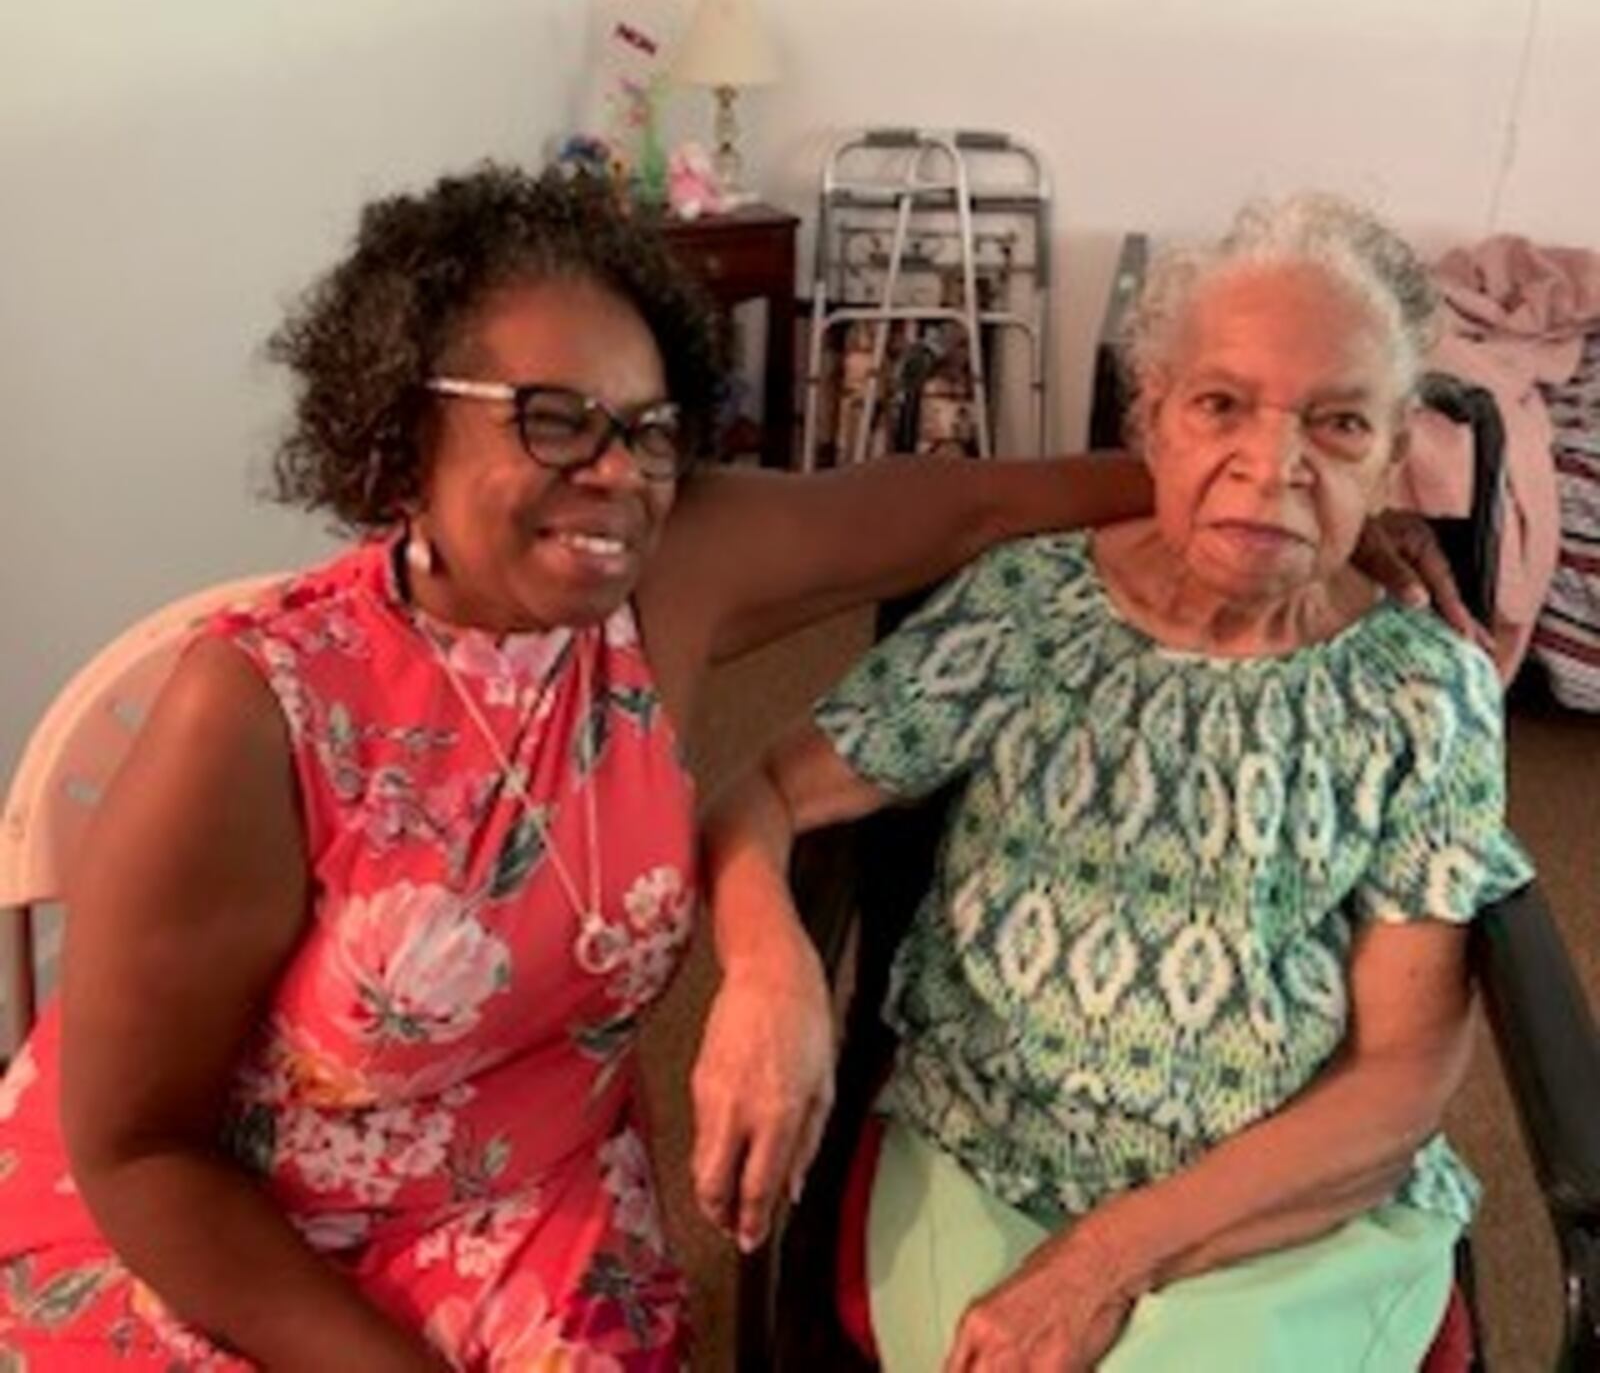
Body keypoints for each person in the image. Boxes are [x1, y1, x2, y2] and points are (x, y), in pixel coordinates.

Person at [0, 164, 1466, 1371]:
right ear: (404, 425)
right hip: (230, 1233)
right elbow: (137, 1152)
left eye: (648, 430)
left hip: (533, 1201)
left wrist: (1264, 497)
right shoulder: (253, 704)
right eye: (551, 417)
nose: (614, 472)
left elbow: (969, 504)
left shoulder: (669, 565)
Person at [700, 193, 1533, 1372]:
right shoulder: (1028, 607)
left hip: (1281, 1203)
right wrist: (766, 968)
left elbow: (1401, 1076)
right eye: (1219, 404)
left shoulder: (1424, 690)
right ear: (1153, 418)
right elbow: (760, 793)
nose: (1271, 465)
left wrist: (1105, 1258)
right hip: (984, 1148)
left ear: (1392, 457)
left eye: (1339, 424)